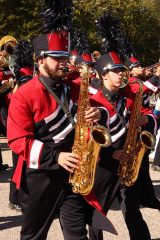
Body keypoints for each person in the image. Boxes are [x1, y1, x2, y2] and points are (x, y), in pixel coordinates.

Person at [7, 1, 115, 239]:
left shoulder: (75, 86)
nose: (65, 63)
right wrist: (56, 156)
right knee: (33, 236)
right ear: (40, 60)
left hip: (73, 175)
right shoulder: (25, 94)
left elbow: (107, 108)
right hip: (39, 177)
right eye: (57, 58)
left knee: (77, 234)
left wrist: (98, 116)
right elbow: (17, 140)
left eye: (65, 57)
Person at [88, 12, 160, 240]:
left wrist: (146, 120)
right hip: (104, 166)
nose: (122, 75)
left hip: (128, 161)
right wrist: (110, 153)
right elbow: (86, 137)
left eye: (123, 71)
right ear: (103, 75)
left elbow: (151, 115)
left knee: (132, 211)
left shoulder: (130, 96)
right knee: (98, 214)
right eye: (117, 72)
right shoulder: (92, 101)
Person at [8, 39, 34, 212]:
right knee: (17, 167)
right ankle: (13, 198)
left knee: (24, 167)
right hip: (19, 131)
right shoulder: (19, 91)